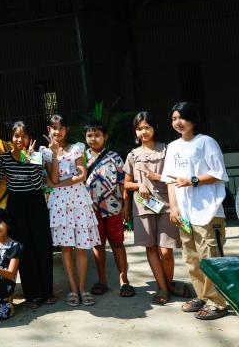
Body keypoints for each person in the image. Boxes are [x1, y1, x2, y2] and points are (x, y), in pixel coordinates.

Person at [161, 102, 229, 320]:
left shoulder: (206, 142)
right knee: (191, 257)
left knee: (211, 257)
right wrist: (174, 208)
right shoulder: (172, 147)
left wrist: (193, 180)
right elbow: (170, 181)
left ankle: (218, 303)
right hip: (184, 213)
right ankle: (202, 295)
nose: (177, 122)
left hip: (208, 211)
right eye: (173, 119)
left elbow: (218, 173)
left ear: (193, 119)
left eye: (181, 117)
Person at [0, 121, 55, 308]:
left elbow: (37, 183)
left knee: (42, 246)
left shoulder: (36, 156)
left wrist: (29, 158)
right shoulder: (5, 159)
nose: (20, 139)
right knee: (24, 249)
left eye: (24, 136)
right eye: (16, 136)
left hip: (36, 203)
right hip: (16, 205)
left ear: (29, 138)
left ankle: (48, 292)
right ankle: (32, 295)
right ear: (11, 138)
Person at [41, 114, 100, 307]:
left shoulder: (77, 148)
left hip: (79, 202)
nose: (57, 131)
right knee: (66, 249)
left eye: (61, 128)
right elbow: (52, 179)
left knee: (82, 248)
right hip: (59, 205)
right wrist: (55, 154)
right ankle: (73, 290)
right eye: (53, 128)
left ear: (66, 130)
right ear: (49, 130)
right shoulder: (46, 152)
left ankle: (84, 289)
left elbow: (82, 176)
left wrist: (59, 184)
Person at [123, 112, 182, 306]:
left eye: (147, 127)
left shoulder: (167, 150)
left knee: (166, 251)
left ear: (154, 127)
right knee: (151, 248)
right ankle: (162, 287)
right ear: (135, 132)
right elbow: (126, 184)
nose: (144, 131)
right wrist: (139, 185)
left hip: (166, 204)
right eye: (140, 128)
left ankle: (169, 283)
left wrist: (157, 178)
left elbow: (175, 177)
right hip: (143, 207)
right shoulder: (132, 155)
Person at [84, 120, 134, 298]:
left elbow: (123, 184)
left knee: (117, 243)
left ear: (105, 136)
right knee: (98, 245)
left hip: (113, 207)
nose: (93, 139)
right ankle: (102, 280)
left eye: (97, 135)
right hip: (91, 209)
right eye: (90, 135)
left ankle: (124, 281)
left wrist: (126, 205)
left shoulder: (115, 157)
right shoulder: (81, 159)